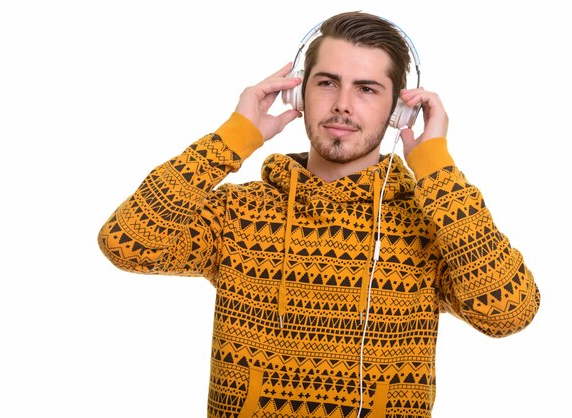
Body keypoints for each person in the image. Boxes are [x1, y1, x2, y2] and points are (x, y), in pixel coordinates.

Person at [97, 11, 540, 418]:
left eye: (366, 89)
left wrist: (438, 171)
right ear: (300, 92)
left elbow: (509, 313)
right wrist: (234, 138)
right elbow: (126, 243)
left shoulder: (430, 229)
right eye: (327, 83)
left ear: (398, 110)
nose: (343, 104)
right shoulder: (238, 215)